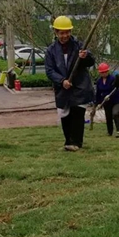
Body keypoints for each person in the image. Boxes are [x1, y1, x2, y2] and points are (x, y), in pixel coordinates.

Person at [45, 15, 95, 152]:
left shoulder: (79, 46)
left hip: (79, 87)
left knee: (77, 114)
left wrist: (86, 56)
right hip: (62, 89)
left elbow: (91, 61)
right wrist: (62, 81)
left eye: (67, 32)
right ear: (56, 33)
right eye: (61, 33)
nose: (65, 35)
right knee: (65, 115)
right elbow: (49, 71)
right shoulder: (51, 51)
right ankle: (68, 141)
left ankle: (77, 142)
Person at [95, 63, 119, 137]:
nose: (104, 73)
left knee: (115, 114)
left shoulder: (113, 79)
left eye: (105, 72)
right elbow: (98, 93)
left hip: (116, 101)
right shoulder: (99, 81)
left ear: (108, 71)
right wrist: (98, 103)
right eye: (102, 72)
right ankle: (109, 132)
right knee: (108, 116)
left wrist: (109, 96)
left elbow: (116, 89)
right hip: (106, 102)